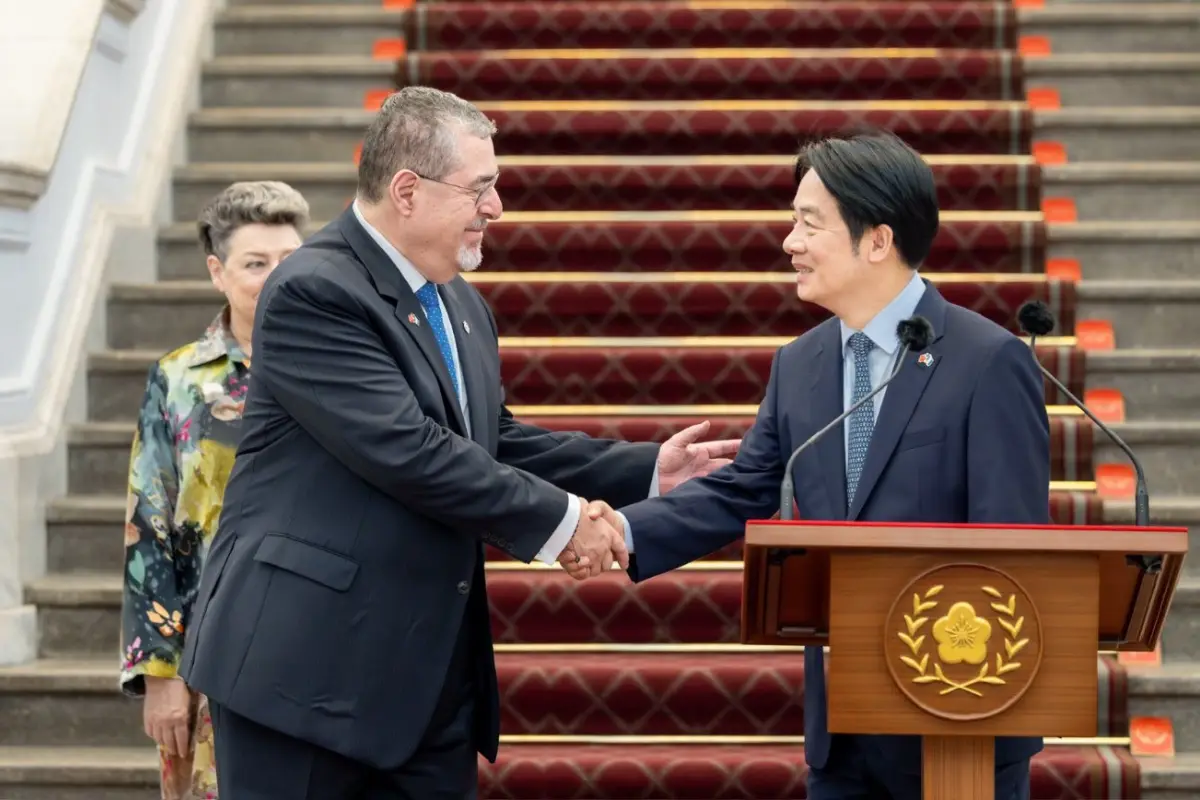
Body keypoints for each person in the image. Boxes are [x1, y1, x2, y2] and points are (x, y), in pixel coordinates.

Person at [176, 85, 737, 799]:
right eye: (481, 188)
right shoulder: (314, 289)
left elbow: (487, 440)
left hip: (425, 680)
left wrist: (643, 471)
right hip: (303, 678)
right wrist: (566, 524)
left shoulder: (460, 302)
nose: (497, 208)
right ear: (407, 191)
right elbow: (409, 450)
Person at [583, 131, 1050, 800]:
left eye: (809, 223)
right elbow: (745, 489)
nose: (788, 243)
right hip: (843, 732)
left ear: (878, 240)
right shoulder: (800, 365)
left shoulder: (986, 361)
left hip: (958, 727)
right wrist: (622, 533)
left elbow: (1016, 553)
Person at [119, 181, 310, 799]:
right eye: (256, 264)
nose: (277, 277)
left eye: (290, 260)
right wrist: (159, 674)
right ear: (217, 271)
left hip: (321, 644)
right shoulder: (178, 379)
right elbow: (149, 526)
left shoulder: (343, 365)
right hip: (210, 653)